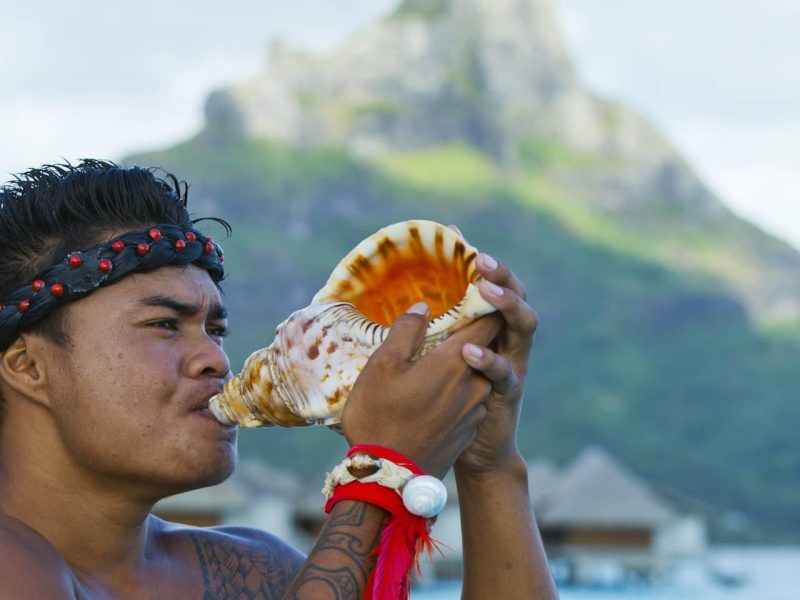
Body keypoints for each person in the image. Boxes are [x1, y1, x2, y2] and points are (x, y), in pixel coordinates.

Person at [0, 160, 557, 599]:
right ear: (28, 365)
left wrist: (488, 467)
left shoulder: (257, 571)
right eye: (164, 325)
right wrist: (381, 469)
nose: (215, 360)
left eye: (215, 329)